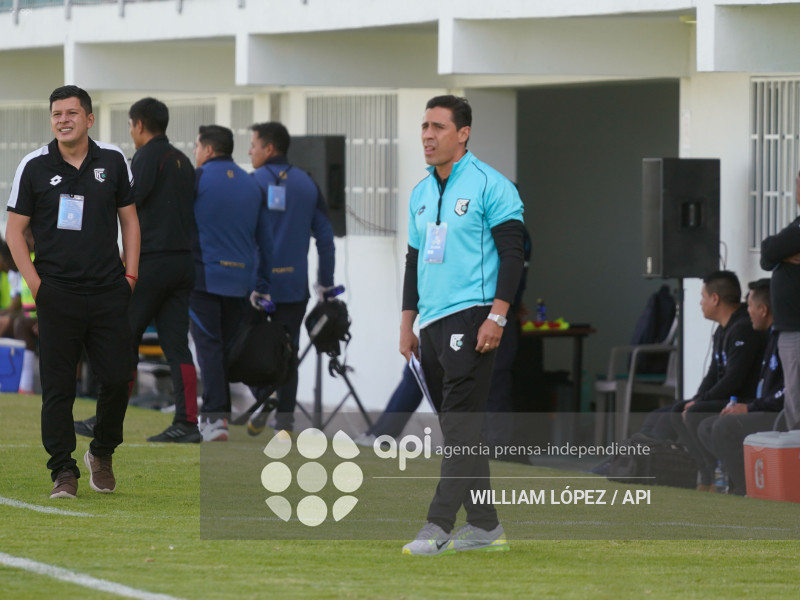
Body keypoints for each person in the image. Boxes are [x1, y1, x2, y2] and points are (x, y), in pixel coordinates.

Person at [399, 95, 524, 555]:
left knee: (459, 431)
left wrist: (497, 316)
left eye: (438, 127)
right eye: (424, 126)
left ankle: (437, 525)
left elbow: (513, 255)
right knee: (460, 431)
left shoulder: (492, 185)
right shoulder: (420, 192)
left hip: (473, 318)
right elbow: (413, 262)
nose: (428, 135)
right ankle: (486, 527)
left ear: (463, 133)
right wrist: (407, 324)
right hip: (430, 325)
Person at [6, 85, 140, 499]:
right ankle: (63, 469)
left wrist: (130, 276)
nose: (63, 120)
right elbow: (14, 232)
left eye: (71, 113)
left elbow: (130, 221)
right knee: (58, 388)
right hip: (57, 293)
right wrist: (36, 285)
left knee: (117, 378)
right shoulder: (33, 165)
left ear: (89, 118)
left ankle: (101, 452)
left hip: (108, 291)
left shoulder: (113, 160)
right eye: (57, 114)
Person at [73, 98, 200, 443]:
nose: (131, 132)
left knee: (121, 338)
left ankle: (105, 419)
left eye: (130, 126)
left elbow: (129, 203)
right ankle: (187, 423)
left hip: (152, 262)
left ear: (139, 125)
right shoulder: (183, 161)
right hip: (183, 264)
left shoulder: (145, 158)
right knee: (177, 346)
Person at [247, 122, 336, 433]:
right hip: (294, 288)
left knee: (245, 347)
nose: (250, 151)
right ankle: (285, 421)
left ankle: (264, 395)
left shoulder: (252, 183)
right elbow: (325, 238)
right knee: (289, 351)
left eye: (254, 145)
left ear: (269, 148)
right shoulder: (308, 184)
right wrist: (325, 283)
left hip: (255, 288)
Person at [191, 125, 272, 442]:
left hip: (204, 278)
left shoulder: (197, 178)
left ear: (208, 149)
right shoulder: (252, 184)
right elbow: (266, 241)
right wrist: (261, 284)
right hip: (240, 283)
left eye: (197, 147)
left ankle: (215, 420)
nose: (196, 153)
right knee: (227, 348)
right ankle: (259, 395)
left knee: (209, 348)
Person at [668, 270, 767, 491]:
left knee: (695, 413)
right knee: (679, 410)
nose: (700, 303)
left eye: (702, 297)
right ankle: (706, 475)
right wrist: (696, 399)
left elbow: (734, 379)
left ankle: (720, 477)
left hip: (745, 400)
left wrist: (699, 403)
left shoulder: (743, 329)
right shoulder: (722, 331)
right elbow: (713, 374)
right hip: (727, 398)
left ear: (715, 299)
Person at [697, 278, 784, 495]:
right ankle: (737, 483)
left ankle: (747, 490)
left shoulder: (786, 341)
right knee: (706, 426)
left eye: (750, 306)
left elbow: (786, 394)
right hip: (762, 406)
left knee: (723, 427)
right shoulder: (770, 337)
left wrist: (749, 408)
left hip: (778, 414)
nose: (747, 312)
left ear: (763, 310)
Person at [760, 171, 800, 431]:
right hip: (790, 329)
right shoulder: (796, 224)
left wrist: (779, 254)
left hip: (797, 329)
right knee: (794, 404)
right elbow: (767, 256)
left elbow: (771, 250)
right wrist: (780, 255)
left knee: (797, 406)